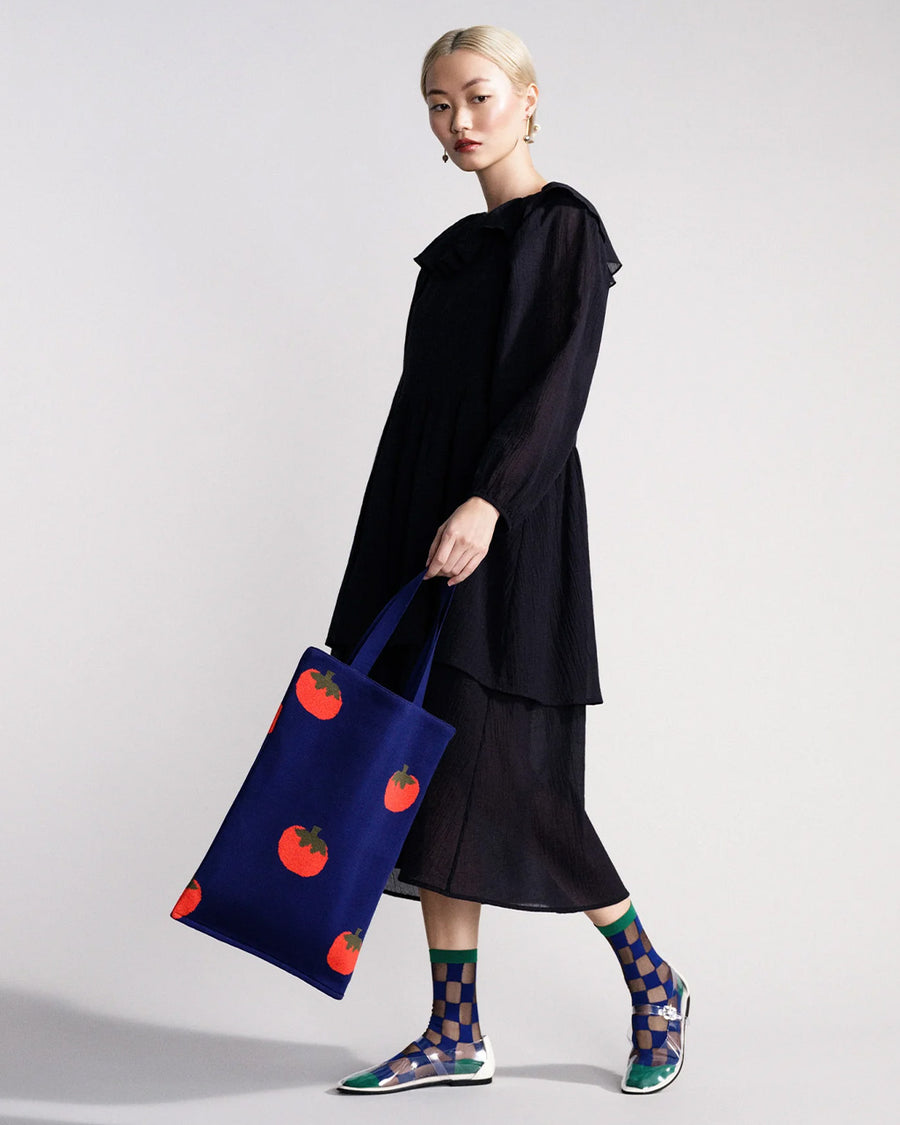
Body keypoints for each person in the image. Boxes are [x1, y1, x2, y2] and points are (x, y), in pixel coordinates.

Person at [325, 24, 689, 1096]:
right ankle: (455, 1031)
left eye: (478, 96)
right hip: (421, 531)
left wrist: (487, 501)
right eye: (439, 106)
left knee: (521, 785)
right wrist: (387, 554)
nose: (460, 121)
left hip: (510, 532)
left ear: (529, 99)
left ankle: (654, 980)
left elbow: (554, 393)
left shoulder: (565, 230)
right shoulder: (452, 256)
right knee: (427, 776)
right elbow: (414, 418)